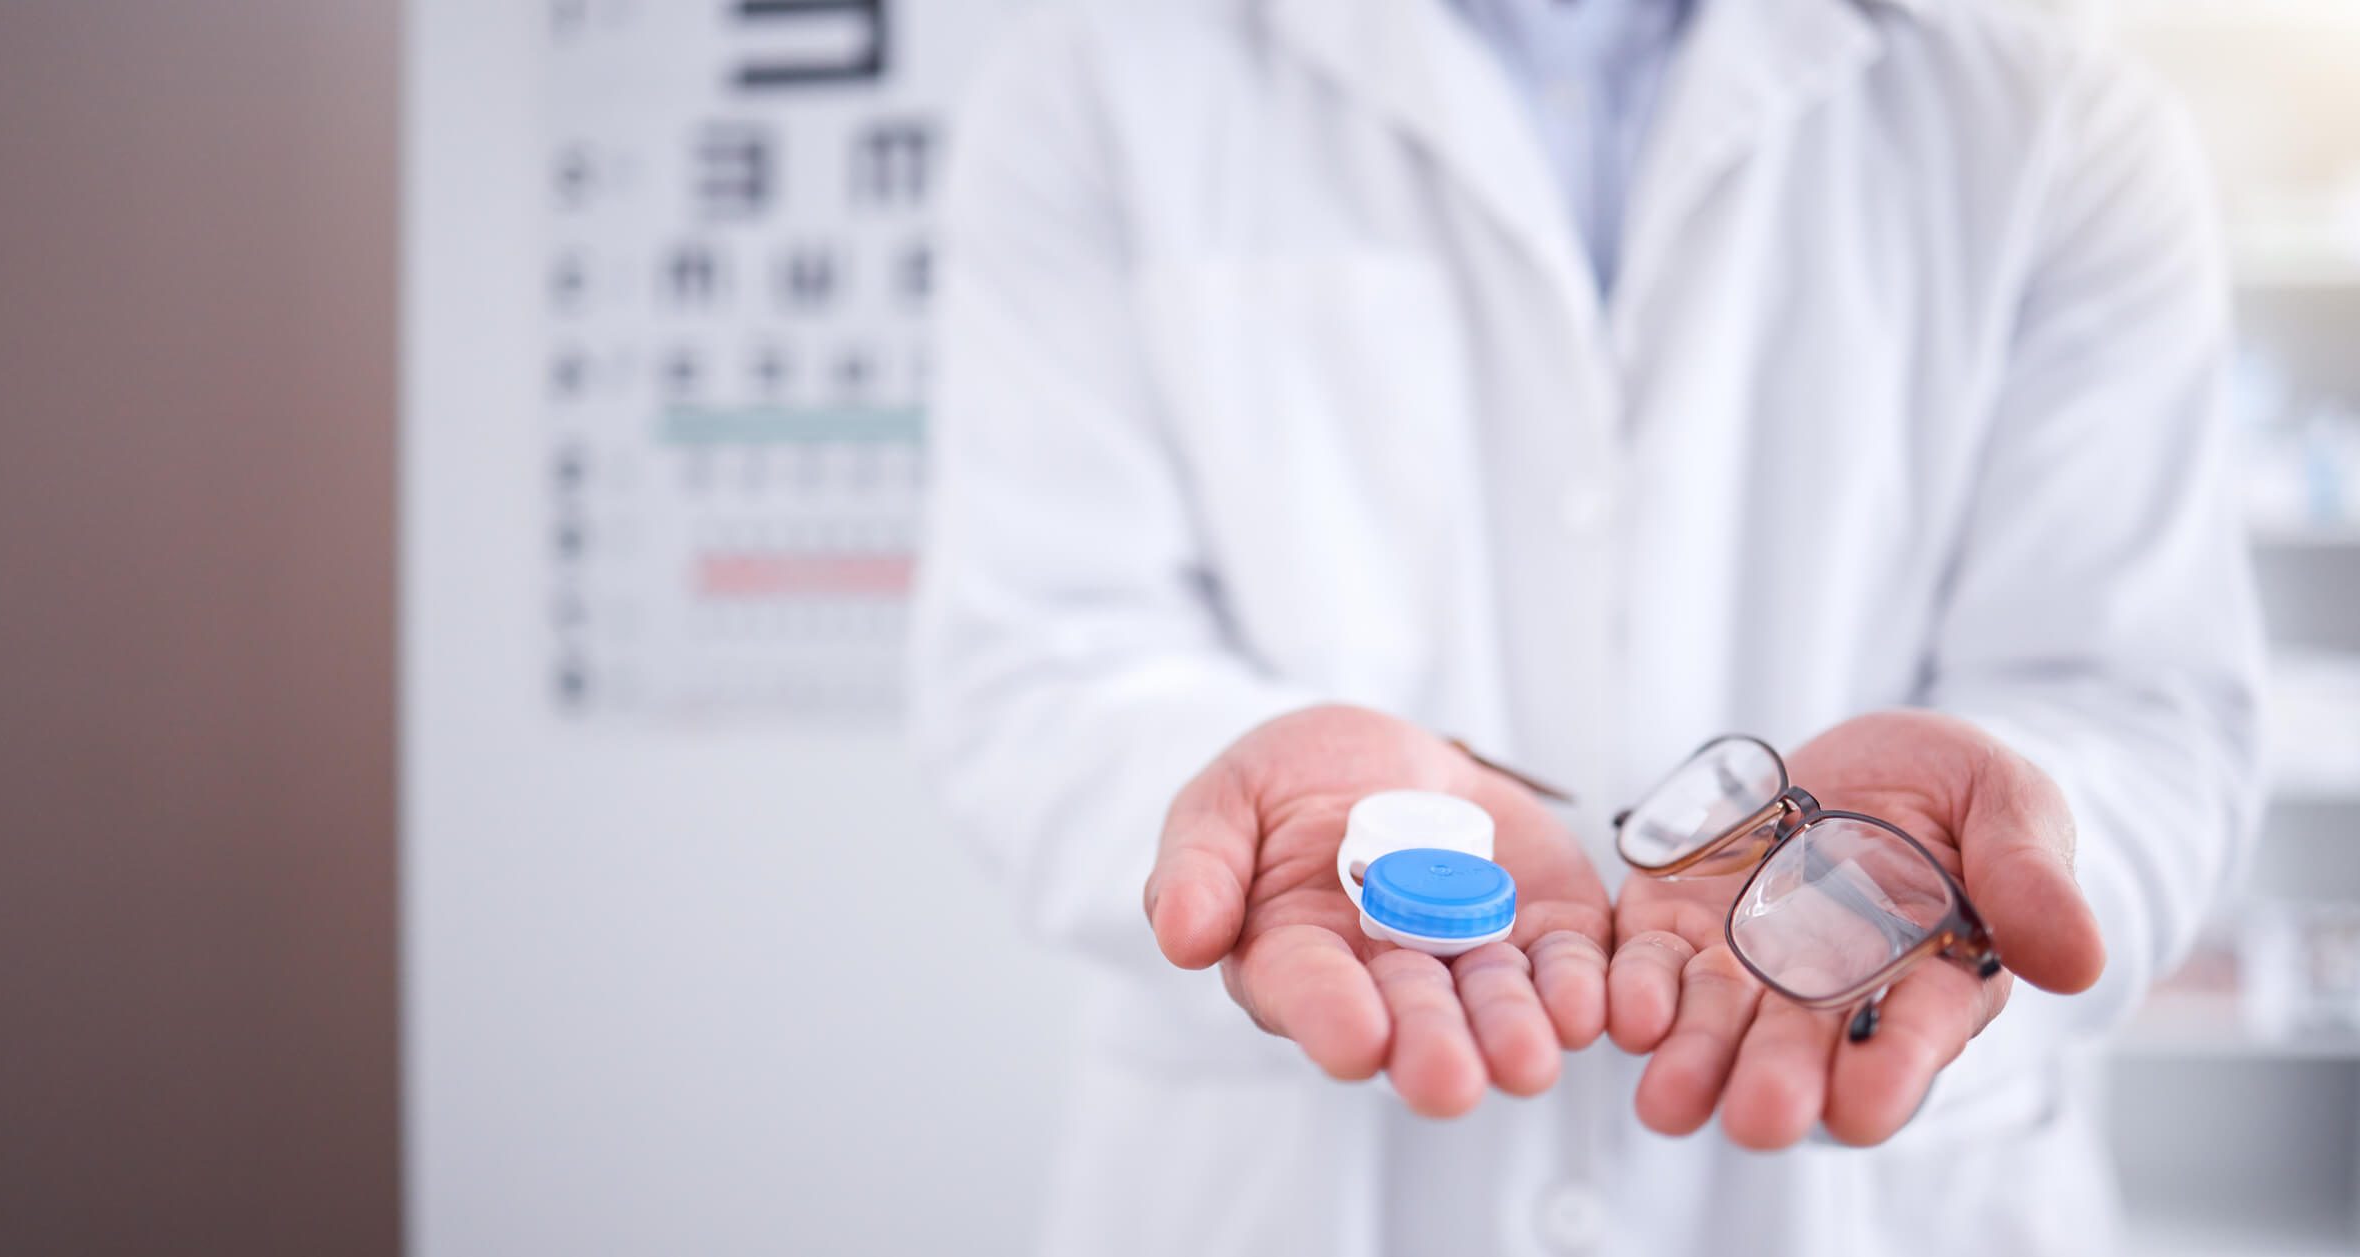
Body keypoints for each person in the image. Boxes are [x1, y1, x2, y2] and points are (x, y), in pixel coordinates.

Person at [908, 0, 2264, 1252]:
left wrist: (1975, 851)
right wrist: (1233, 791)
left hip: (1877, 1196)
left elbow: (2140, 699)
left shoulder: (2057, 119)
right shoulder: (1096, 89)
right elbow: (1039, 659)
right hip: (1284, 1184)